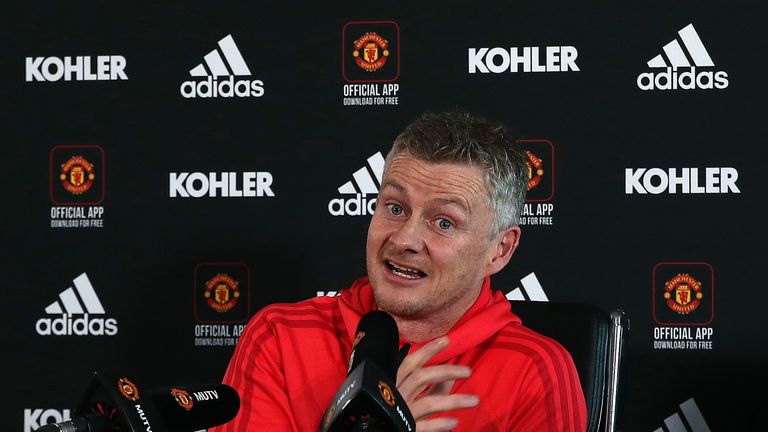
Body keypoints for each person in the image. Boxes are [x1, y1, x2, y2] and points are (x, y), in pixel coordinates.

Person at [210, 110, 587, 432]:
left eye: (443, 223)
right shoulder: (279, 337)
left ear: (499, 250)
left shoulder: (535, 371)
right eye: (394, 208)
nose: (405, 239)